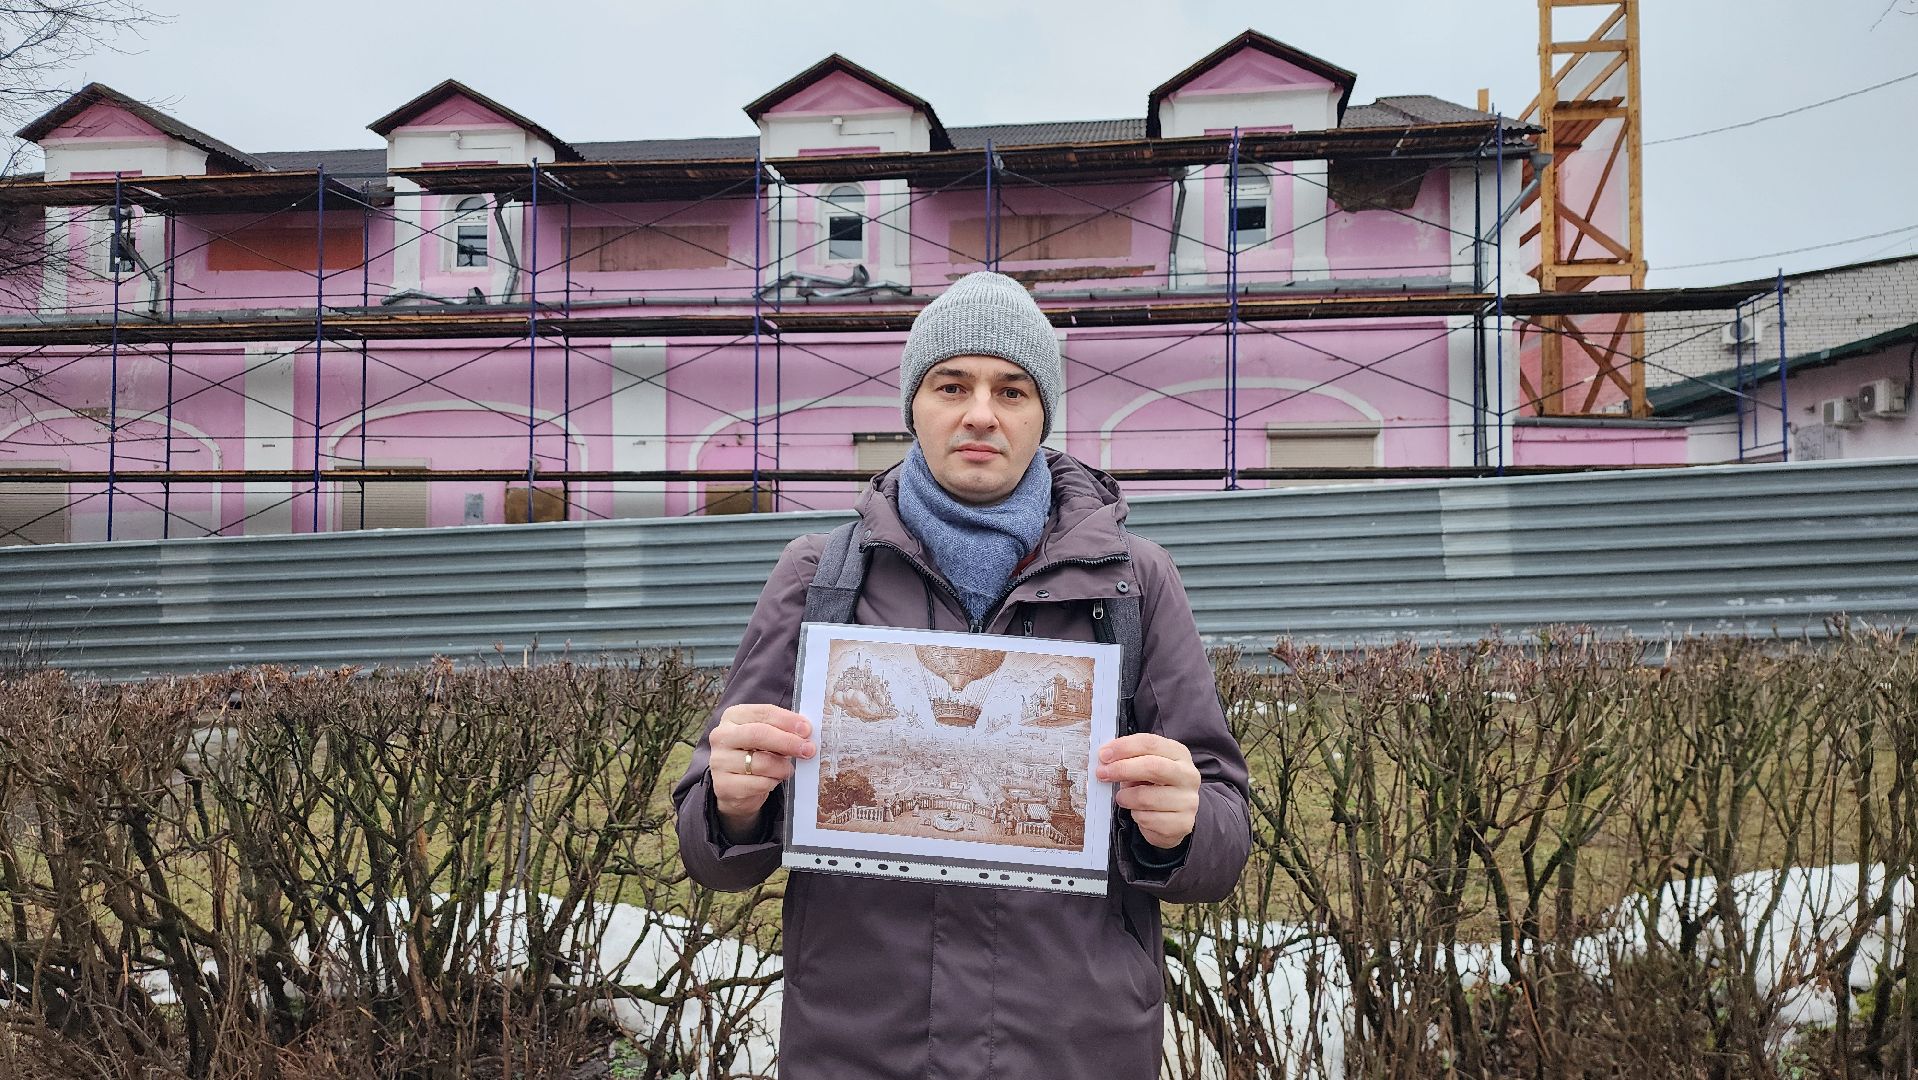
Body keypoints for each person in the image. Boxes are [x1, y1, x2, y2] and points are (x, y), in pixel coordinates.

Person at [672, 271, 1252, 1078]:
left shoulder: (1134, 583)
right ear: (913, 405)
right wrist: (733, 806)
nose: (981, 413)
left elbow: (1224, 829)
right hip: (861, 1046)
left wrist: (1181, 826)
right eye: (952, 385)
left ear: (1043, 414)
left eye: (1012, 390)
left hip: (1072, 1048)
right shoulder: (821, 577)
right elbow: (708, 850)